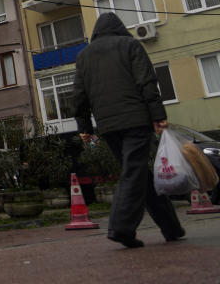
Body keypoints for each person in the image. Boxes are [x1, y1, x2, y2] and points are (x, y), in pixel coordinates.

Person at [73, 12, 185, 248]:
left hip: (108, 126)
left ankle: (171, 228)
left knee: (139, 174)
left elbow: (79, 96)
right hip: (135, 121)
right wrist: (158, 115)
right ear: (120, 27)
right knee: (134, 172)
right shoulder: (130, 45)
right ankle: (121, 228)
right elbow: (147, 82)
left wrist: (84, 128)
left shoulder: (84, 56)